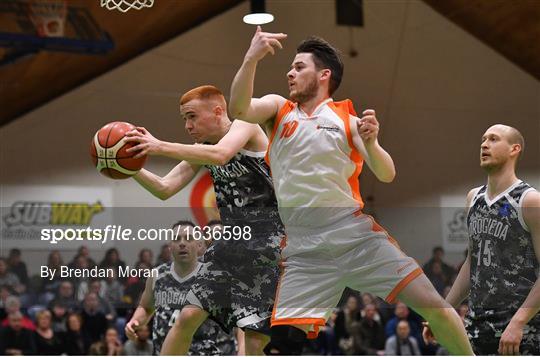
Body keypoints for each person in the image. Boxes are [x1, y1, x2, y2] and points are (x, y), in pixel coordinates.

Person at [229, 26, 474, 355]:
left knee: (434, 305)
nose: (290, 72)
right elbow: (239, 109)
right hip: (304, 248)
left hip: (353, 234)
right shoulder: (278, 109)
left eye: (299, 66)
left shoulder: (348, 120)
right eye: (291, 67)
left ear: (323, 74)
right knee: (283, 345)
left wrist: (372, 144)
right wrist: (251, 58)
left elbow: (386, 173)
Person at [123, 84, 284, 354]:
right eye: (185, 118)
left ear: (218, 111)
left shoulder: (246, 124)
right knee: (186, 318)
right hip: (230, 247)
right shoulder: (202, 149)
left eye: (192, 116)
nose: (187, 125)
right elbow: (164, 188)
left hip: (266, 245)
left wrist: (159, 145)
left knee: (254, 339)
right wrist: (127, 166)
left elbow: (221, 155)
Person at [424, 125, 540, 355]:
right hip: (477, 327)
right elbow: (472, 264)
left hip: (519, 331)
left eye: (493, 139)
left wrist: (518, 323)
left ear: (514, 149)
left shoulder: (529, 200)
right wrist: (444, 313)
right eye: (483, 139)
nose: (484, 144)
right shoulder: (473, 198)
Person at [124, 221, 223, 355]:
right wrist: (135, 322)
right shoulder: (157, 275)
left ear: (199, 244)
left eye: (188, 238)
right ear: (170, 246)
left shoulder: (212, 277)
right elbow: (146, 308)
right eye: (176, 239)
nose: (182, 243)